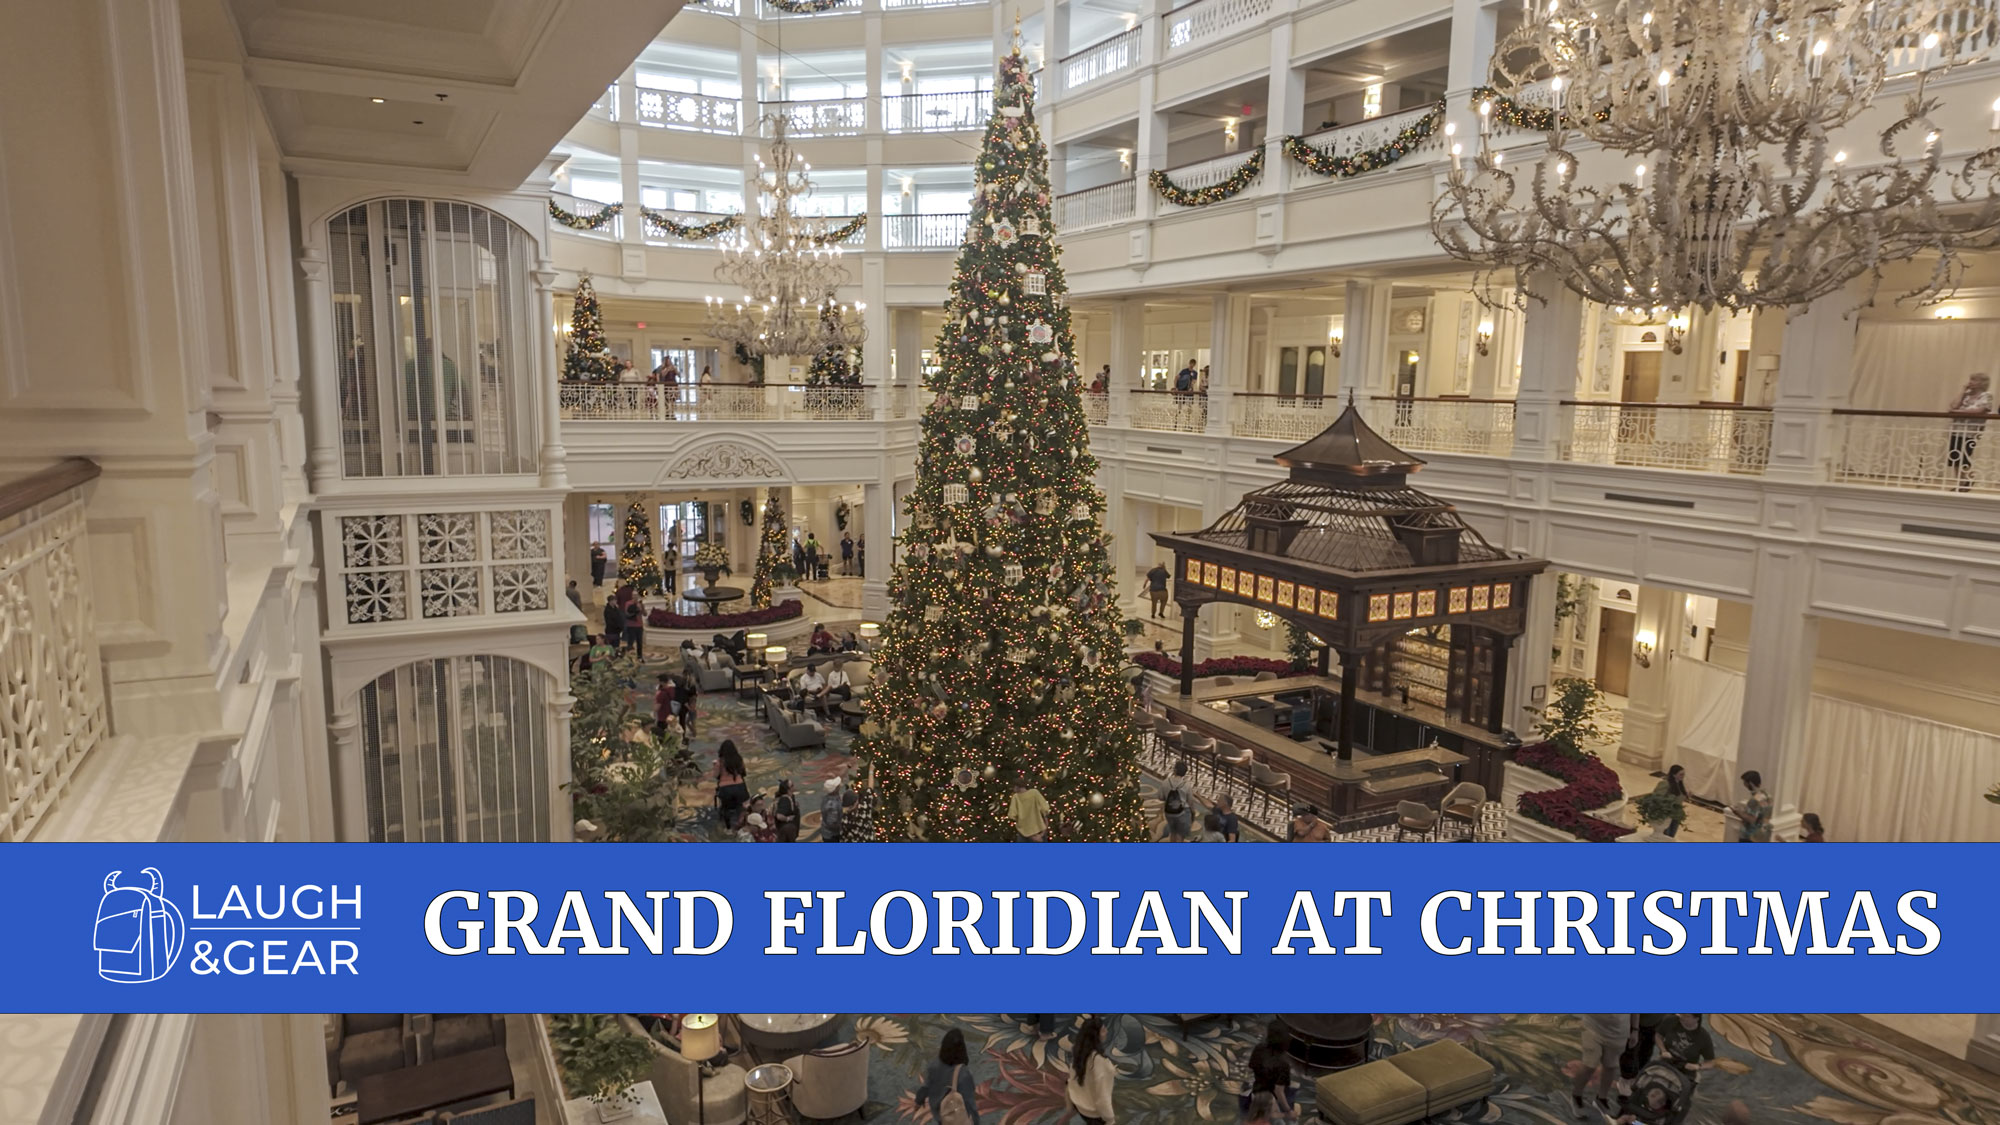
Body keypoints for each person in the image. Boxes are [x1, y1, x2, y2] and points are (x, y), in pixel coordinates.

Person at [1573, 1015, 1639, 1119]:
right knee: (1590, 1065)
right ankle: (1576, 1096)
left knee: (1611, 1066)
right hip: (1592, 1027)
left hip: (1619, 1033)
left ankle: (1601, 1099)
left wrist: (1635, 1030)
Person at [915, 1028, 980, 1125]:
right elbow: (968, 1101)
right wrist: (976, 1120)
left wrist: (919, 1099)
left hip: (939, 1110)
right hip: (954, 1111)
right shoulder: (963, 1074)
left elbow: (926, 1086)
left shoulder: (934, 1064)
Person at [1065, 1016, 1118, 1125]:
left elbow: (1072, 1078)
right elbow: (1102, 1097)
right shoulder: (1100, 1063)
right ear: (1096, 1035)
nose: (1106, 1031)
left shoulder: (1079, 1051)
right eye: (1103, 1030)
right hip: (1093, 1113)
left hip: (1079, 1103)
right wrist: (1110, 1119)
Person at [1947, 373, 1994, 491]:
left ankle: (1967, 479)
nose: (1970, 382)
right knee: (1955, 455)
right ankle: (1961, 482)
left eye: (1974, 380)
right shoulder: (1966, 395)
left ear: (1982, 383)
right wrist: (1963, 392)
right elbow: (1953, 405)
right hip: (1957, 429)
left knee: (1964, 455)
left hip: (1971, 430)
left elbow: (1979, 410)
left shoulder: (1986, 395)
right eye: (1970, 379)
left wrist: (1956, 412)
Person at [1242, 1023, 1297, 1123]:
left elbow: (1251, 1068)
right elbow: (1278, 1091)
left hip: (1256, 1088)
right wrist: (1288, 1111)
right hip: (1268, 1097)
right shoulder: (1283, 1064)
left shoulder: (1259, 1048)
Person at [1658, 1014, 1717, 1082]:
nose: (1682, 1017)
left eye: (1687, 1016)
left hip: (1686, 1069)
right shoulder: (1671, 1020)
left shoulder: (1704, 1037)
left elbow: (1711, 1063)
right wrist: (1663, 1050)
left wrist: (1698, 1066)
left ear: (1696, 1019)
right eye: (1682, 1014)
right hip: (1666, 1060)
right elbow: (1658, 1036)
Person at [713, 741, 749, 831]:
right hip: (739, 787)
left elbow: (716, 775)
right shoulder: (739, 759)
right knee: (740, 806)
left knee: (726, 808)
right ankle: (741, 823)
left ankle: (728, 827)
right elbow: (744, 773)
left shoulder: (719, 762)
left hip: (725, 788)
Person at [1732, 770, 1772, 843]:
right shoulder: (1768, 796)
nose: (1744, 785)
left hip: (1750, 836)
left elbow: (1751, 819)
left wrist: (1737, 812)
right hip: (1764, 835)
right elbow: (1762, 812)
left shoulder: (1754, 800)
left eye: (1745, 782)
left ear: (1750, 783)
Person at [1161, 762, 1195, 842]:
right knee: (1180, 834)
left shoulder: (1166, 782)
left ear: (1175, 770)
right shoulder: (1186, 785)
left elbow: (1160, 797)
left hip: (1169, 811)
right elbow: (1190, 801)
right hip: (1182, 813)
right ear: (1184, 773)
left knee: (1173, 832)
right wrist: (1193, 812)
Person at [1654, 764, 1689, 838]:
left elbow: (1679, 798)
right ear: (1673, 774)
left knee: (1671, 835)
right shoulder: (1665, 783)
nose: (1683, 776)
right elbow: (1657, 797)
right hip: (1667, 814)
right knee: (1665, 835)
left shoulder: (1679, 784)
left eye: (1683, 774)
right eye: (1681, 774)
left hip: (1676, 815)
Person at [820, 776, 845, 842]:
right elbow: (832, 824)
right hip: (832, 836)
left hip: (828, 832)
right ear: (835, 789)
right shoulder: (831, 806)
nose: (840, 786)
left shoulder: (827, 797)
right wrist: (844, 826)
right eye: (838, 786)